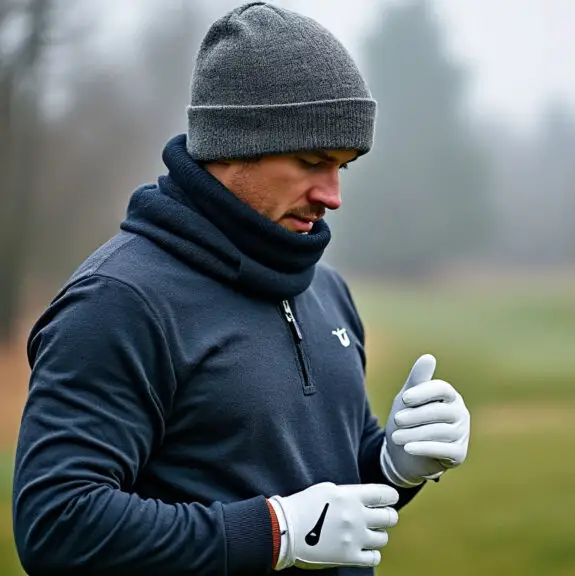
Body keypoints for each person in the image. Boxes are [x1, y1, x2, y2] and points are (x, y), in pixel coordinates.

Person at [11, 2, 471, 575]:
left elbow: (329, 508)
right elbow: (57, 524)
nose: (333, 196)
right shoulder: (120, 301)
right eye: (311, 161)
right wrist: (275, 532)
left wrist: (395, 467)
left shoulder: (325, 290)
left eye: (343, 167)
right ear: (232, 145)